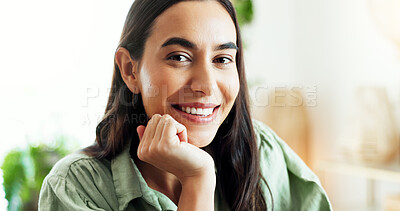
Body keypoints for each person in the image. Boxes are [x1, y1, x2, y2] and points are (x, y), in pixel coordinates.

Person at [38, 0, 332, 210]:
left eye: (222, 59)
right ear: (130, 70)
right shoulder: (77, 187)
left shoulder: (264, 153)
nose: (206, 85)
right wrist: (198, 180)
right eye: (179, 57)